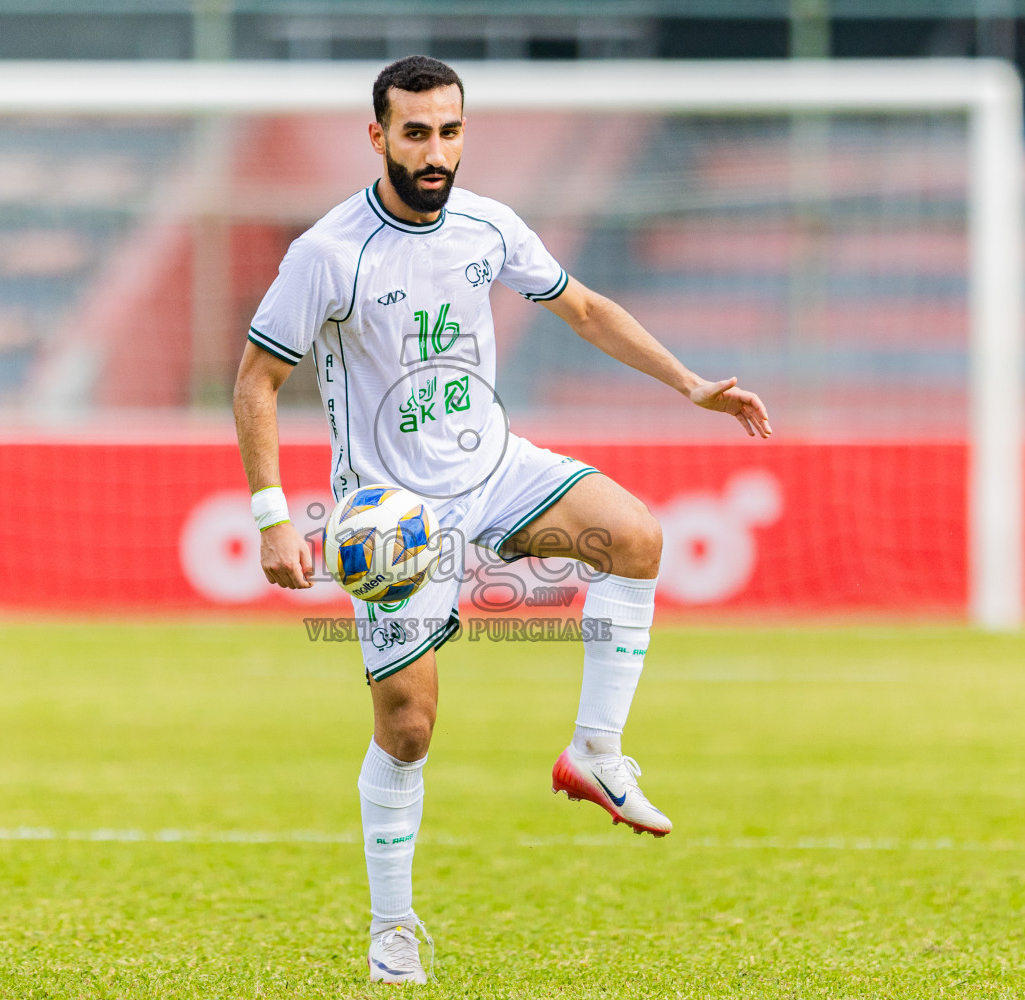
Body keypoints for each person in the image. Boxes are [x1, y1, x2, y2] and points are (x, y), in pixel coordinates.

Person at [233, 55, 771, 985]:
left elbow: (585, 309)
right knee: (408, 730)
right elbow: (256, 382)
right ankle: (393, 930)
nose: (434, 150)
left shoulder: (488, 225)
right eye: (415, 133)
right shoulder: (327, 254)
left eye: (449, 131)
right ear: (379, 137)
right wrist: (275, 517)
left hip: (493, 465)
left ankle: (597, 753)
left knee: (637, 538)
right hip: (392, 512)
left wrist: (689, 384)